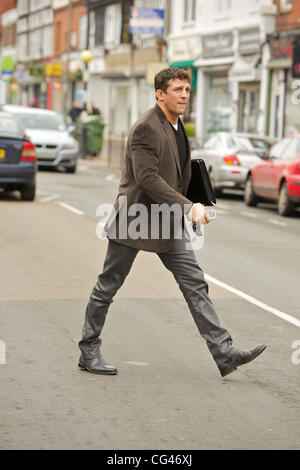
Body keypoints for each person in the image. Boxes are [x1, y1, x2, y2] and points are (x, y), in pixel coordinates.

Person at [78, 68, 266, 377]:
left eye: (187, 90)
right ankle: (88, 349)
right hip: (135, 219)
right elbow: (147, 178)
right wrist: (188, 206)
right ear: (159, 94)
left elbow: (176, 173)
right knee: (108, 285)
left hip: (166, 220)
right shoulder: (144, 128)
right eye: (177, 89)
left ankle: (225, 352)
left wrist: (192, 201)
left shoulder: (178, 126)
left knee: (195, 283)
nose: (184, 95)